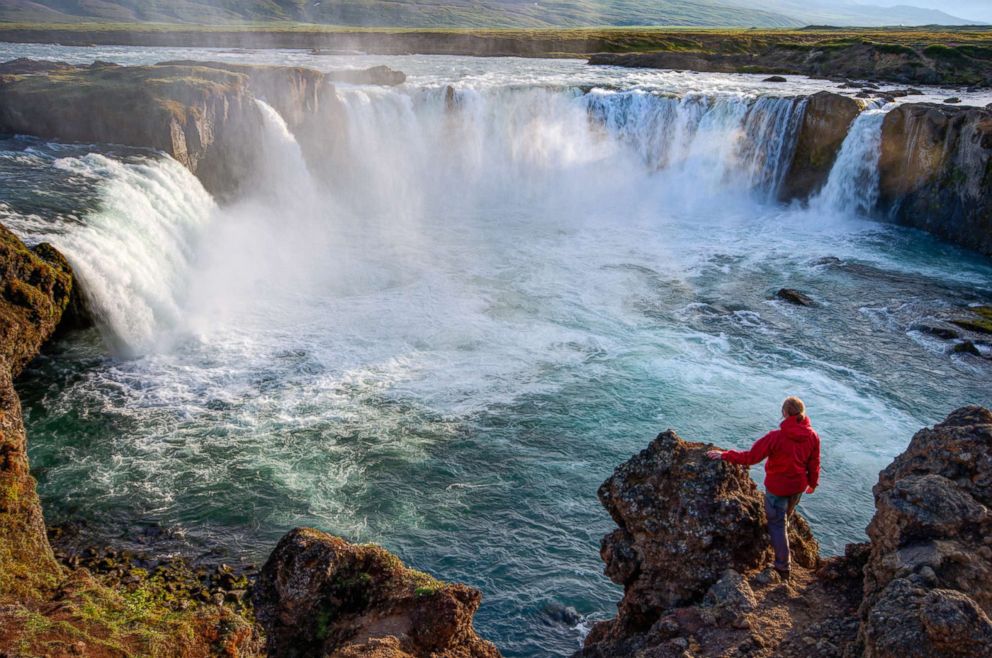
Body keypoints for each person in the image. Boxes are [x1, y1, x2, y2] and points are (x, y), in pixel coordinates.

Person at [706, 396, 820, 577]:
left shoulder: (776, 437)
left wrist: (724, 455)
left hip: (777, 488)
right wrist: (813, 483)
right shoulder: (812, 436)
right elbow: (814, 463)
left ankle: (783, 567)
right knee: (784, 520)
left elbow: (751, 457)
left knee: (777, 524)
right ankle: (780, 552)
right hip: (797, 487)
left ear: (784, 413)